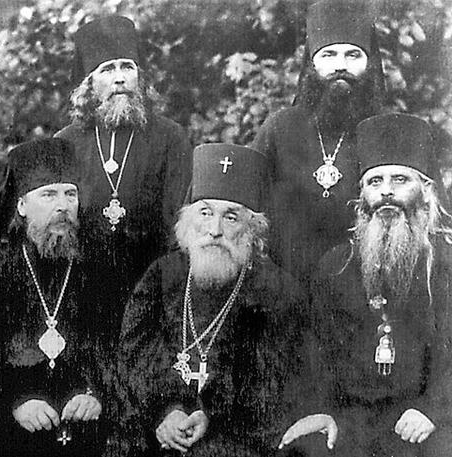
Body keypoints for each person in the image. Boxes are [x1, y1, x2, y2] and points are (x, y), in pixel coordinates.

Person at [117, 144, 308, 457]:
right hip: (159, 428)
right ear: (190, 220)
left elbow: (275, 380)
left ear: (253, 229)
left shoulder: (277, 289)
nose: (215, 230)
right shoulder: (163, 274)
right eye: (205, 213)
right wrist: (168, 410)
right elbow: (135, 352)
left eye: (231, 217)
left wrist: (212, 415)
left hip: (236, 435)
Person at [280, 113, 452, 457]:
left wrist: (433, 408)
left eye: (400, 179)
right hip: (351, 418)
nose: (386, 191)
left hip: (424, 415)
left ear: (426, 191)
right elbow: (316, 348)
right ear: (362, 197)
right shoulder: (336, 264)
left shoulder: (446, 261)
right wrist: (321, 410)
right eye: (375, 182)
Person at [55, 15, 192, 348]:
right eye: (107, 70)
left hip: (153, 292)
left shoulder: (170, 138)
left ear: (139, 77)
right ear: (88, 85)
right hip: (81, 296)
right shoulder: (66, 143)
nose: (119, 79)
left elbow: (180, 224)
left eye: (126, 67)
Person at [0, 138, 107, 457]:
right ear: (21, 205)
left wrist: (95, 393)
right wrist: (15, 402)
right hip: (10, 428)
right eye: (48, 194)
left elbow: (115, 346)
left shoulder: (99, 266)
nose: (62, 206)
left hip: (88, 426)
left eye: (70, 194)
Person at [251, 0, 385, 282]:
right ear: (311, 63)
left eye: (353, 55)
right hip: (283, 286)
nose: (341, 66)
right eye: (328, 55)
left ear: (370, 64)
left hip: (360, 291)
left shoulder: (385, 132)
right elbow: (246, 205)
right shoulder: (279, 127)